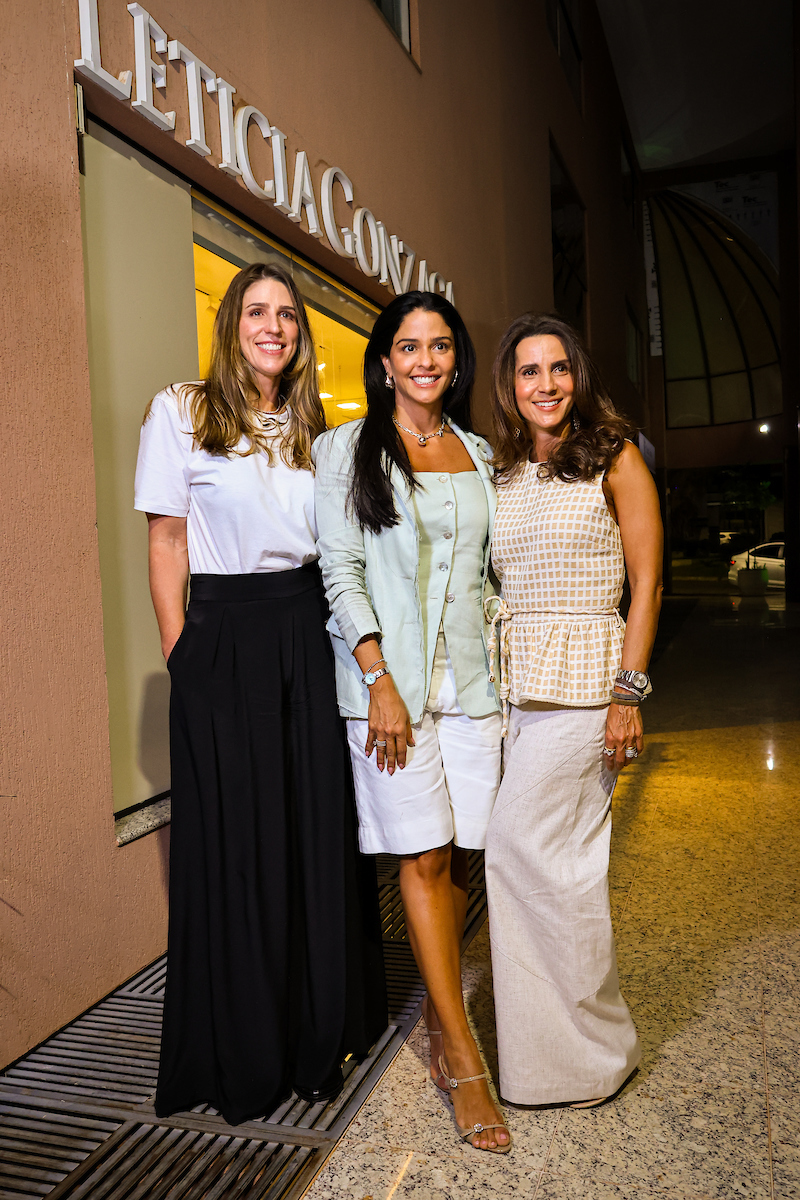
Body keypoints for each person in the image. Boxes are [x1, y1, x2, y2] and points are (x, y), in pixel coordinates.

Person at [134, 261, 386, 1126]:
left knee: (310, 830)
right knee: (241, 842)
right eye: (257, 310)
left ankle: (319, 1035)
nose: (273, 325)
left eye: (287, 314)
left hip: (304, 632)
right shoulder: (182, 411)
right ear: (230, 322)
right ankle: (245, 1049)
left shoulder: (315, 428)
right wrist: (185, 653)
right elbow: (167, 542)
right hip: (225, 637)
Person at [313, 291, 511, 1153]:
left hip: (472, 687)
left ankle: (436, 1016)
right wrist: (380, 678)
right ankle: (462, 1053)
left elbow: (491, 575)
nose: (425, 359)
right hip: (389, 690)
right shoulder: (345, 450)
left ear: (455, 360)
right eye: (407, 346)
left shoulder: (476, 450)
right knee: (422, 854)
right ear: (384, 361)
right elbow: (340, 570)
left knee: (463, 846)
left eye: (439, 346)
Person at [485, 312, 662, 1108]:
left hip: (589, 689)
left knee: (519, 848)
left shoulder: (614, 456)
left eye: (558, 369)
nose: (546, 385)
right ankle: (569, 1058)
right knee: (557, 870)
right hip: (519, 690)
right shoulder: (504, 468)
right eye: (529, 372)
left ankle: (584, 1052)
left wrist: (629, 696)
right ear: (510, 385)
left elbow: (648, 582)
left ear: (576, 376)